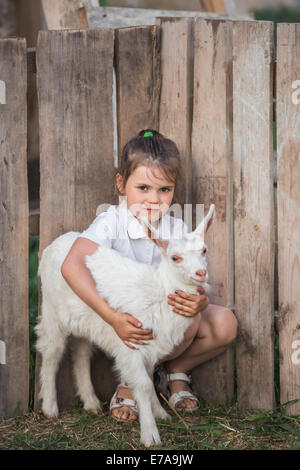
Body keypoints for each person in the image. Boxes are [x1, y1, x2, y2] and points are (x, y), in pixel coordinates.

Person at [61, 129, 238, 421]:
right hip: (123, 324)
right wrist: (111, 317)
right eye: (143, 188)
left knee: (222, 323)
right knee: (170, 317)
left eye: (164, 190)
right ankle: (132, 381)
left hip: (165, 328)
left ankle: (174, 371)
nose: (153, 200)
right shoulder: (110, 223)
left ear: (173, 189)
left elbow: (195, 280)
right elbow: (71, 265)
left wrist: (201, 302)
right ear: (121, 184)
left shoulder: (176, 230)